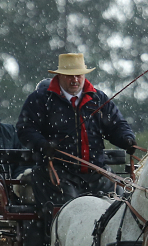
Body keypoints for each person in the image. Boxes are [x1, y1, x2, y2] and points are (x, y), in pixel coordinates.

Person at [16, 52, 136, 212]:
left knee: (122, 208)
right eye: (69, 76)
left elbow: (116, 125)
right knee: (71, 213)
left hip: (97, 173)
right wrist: (43, 145)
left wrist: (126, 139)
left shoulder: (98, 99)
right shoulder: (41, 99)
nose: (75, 80)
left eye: (78, 75)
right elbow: (25, 129)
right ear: (59, 76)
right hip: (57, 174)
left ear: (84, 75)